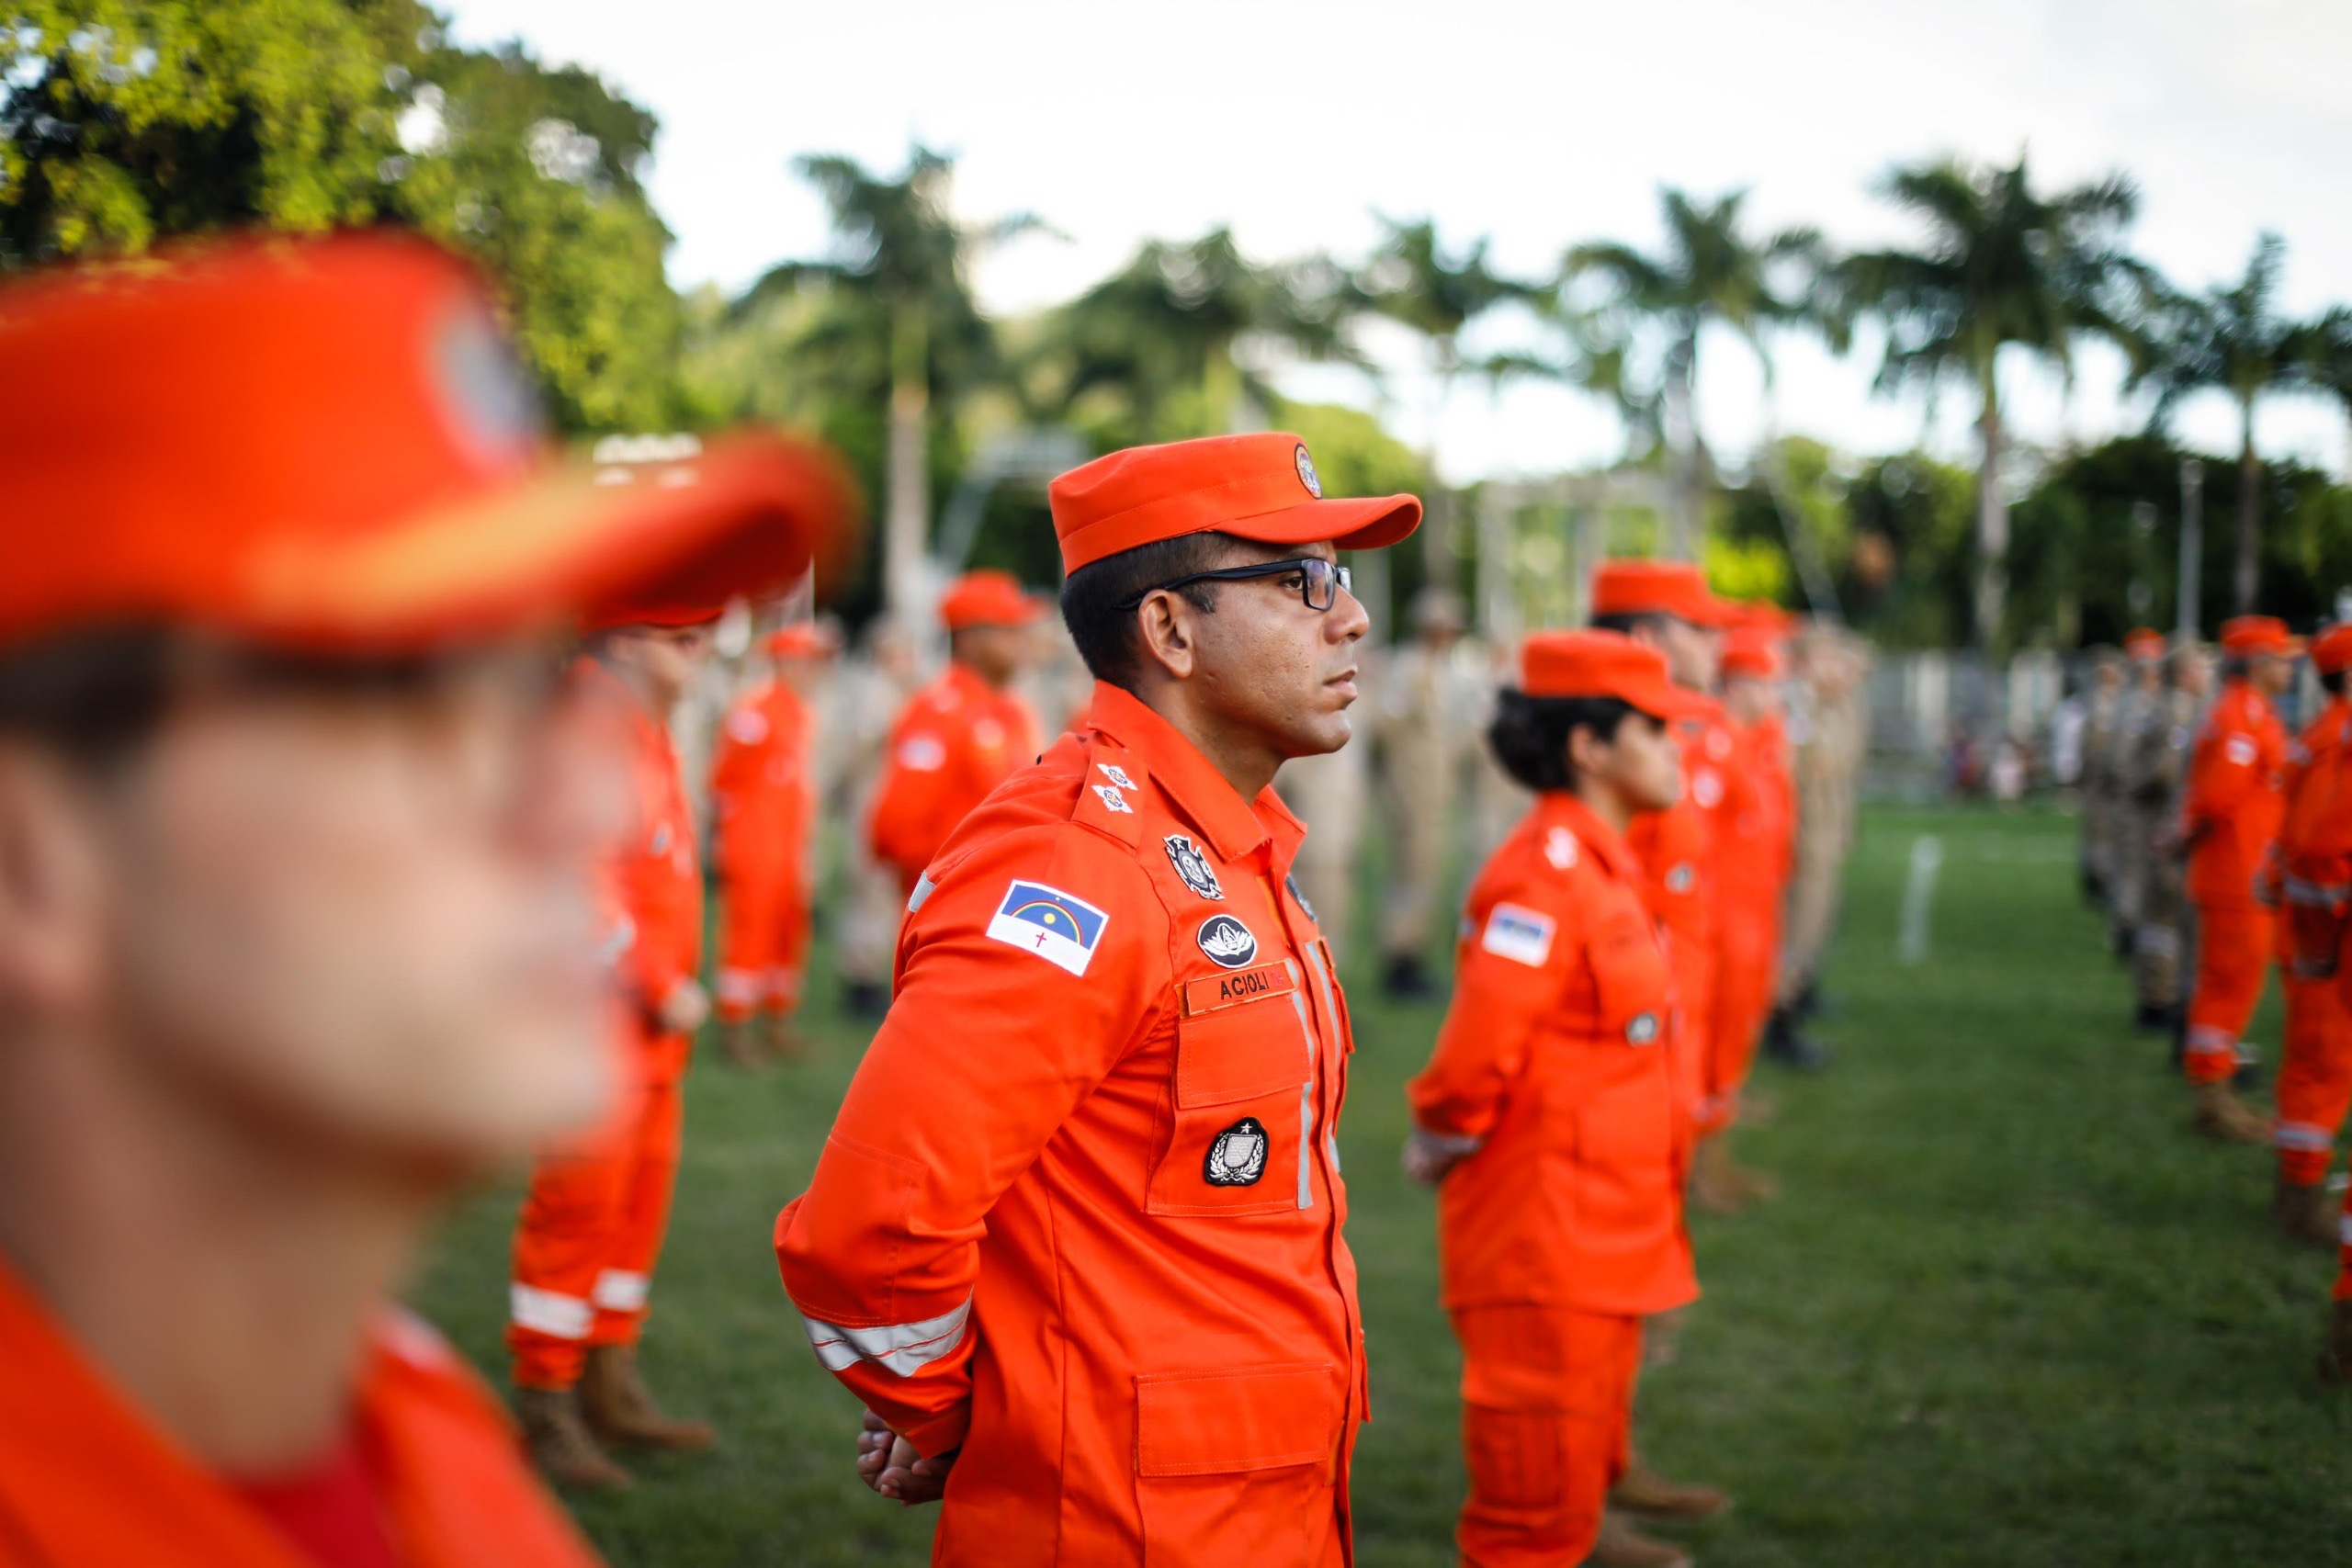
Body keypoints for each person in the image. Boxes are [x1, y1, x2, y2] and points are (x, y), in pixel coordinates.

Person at [0, 233, 842, 1561]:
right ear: (29, 864)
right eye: (405, 696)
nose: (596, 803)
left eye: (527, 679)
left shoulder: (413, 1441)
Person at [774, 432, 1420, 1564]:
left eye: (1341, 579)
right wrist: (961, 1412)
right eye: (1298, 581)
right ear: (1169, 628)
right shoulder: (1077, 864)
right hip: (1124, 1523)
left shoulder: (1228, 843)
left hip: (1257, 1499)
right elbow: (869, 1232)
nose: (1349, 617)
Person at [1403, 630, 1716, 1568]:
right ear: (1587, 746)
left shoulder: (1601, 865)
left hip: (1606, 1225)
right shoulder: (1541, 877)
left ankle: (1596, 1518)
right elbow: (1468, 1067)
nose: (1676, 748)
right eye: (1654, 729)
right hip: (1548, 1241)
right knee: (1525, 1525)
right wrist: (1442, 1139)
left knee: (1569, 1468)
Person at [503, 595, 731, 1486]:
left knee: (633, 1211)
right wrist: (654, 981)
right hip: (596, 1028)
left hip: (643, 1038)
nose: (702, 655)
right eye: (686, 639)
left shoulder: (635, 721)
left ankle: (607, 1382)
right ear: (631, 640)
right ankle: (546, 1406)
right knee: (576, 1213)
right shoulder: (589, 725)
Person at [2179, 615, 2301, 1141]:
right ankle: (2214, 1099)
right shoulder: (2239, 715)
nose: (2289, 670)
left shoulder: (2250, 711)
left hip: (2242, 871)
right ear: (2257, 664)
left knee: (2230, 986)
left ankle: (2216, 1093)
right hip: (2235, 874)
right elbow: (2218, 796)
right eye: (2281, 660)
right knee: (2229, 987)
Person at [865, 570, 1046, 898]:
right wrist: (946, 881)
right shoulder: (939, 710)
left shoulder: (1012, 712)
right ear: (969, 639)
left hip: (1001, 896)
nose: (1022, 639)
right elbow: (896, 828)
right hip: (954, 902)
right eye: (1008, 629)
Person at [710, 621, 837, 1066]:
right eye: (806, 661)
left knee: (788, 928)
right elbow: (725, 779)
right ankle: (735, 1027)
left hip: (789, 838)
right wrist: (733, 836)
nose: (813, 671)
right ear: (783, 662)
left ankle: (778, 1022)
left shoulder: (801, 711)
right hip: (755, 839)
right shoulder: (755, 710)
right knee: (750, 930)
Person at [1701, 616, 1796, 1200]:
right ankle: (1707, 1164)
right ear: (1737, 686)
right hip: (1723, 920)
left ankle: (1719, 1136)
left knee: (1736, 1028)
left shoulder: (1751, 741)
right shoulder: (1718, 745)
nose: (1774, 697)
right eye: (1765, 684)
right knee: (1713, 1038)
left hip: (1752, 911)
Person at [2266, 625, 2352, 1243]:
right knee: (2322, 1065)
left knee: (2314, 1063)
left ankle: (2298, 1191)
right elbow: (2319, 850)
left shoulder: (2323, 735)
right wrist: (2322, 937)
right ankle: (2300, 1199)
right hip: (2328, 944)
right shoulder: (2333, 740)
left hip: (2319, 937)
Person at [1373, 585, 1486, 997]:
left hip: (1436, 791)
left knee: (1427, 872)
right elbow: (1384, 723)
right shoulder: (1407, 668)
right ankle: (1400, 959)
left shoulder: (1445, 670)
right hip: (1411, 790)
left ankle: (1413, 953)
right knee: (1411, 873)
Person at [2125, 639, 2211, 1036]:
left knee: (2158, 918)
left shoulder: (2163, 706)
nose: (2208, 675)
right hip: (2165, 824)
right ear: (2185, 673)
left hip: (2155, 822)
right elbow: (2167, 771)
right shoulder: (2178, 709)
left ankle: (2156, 997)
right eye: (2201, 667)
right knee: (2168, 919)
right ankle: (2161, 1000)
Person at [2108, 629, 2168, 958]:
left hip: (2138, 800)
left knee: (2137, 874)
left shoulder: (2139, 704)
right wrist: (2135, 785)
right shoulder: (2137, 707)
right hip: (2136, 802)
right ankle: (2128, 936)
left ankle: (2132, 934)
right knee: (2133, 874)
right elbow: (2121, 759)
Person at [2079, 650, 2127, 906]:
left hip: (2117, 776)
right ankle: (2095, 880)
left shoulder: (2123, 702)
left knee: (2114, 831)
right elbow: (2088, 742)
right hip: (2099, 776)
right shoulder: (2095, 703)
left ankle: (2108, 880)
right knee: (2097, 830)